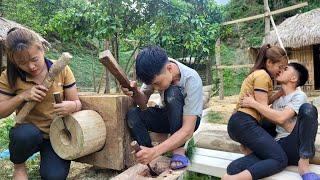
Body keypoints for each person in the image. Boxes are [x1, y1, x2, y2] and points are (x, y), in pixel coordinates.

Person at [0, 28, 82, 180]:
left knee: (54, 176)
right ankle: (19, 166)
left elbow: (77, 102)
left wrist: (72, 106)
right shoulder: (8, 76)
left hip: (56, 135)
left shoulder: (61, 69)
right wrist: (23, 96)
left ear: (42, 49)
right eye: (22, 63)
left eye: (34, 59)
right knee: (24, 135)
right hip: (28, 133)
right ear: (13, 60)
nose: (31, 66)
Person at [122, 46, 202, 169]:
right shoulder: (154, 69)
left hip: (188, 121)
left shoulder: (192, 79)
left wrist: (157, 151)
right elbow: (143, 104)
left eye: (157, 83)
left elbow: (188, 130)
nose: (156, 88)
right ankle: (147, 152)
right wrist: (135, 92)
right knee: (133, 114)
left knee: (172, 93)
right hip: (168, 116)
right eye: (152, 84)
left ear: (169, 68)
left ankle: (178, 151)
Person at [238, 62, 319, 180]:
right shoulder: (277, 101)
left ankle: (304, 165)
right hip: (280, 148)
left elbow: (281, 119)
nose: (281, 70)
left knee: (308, 109)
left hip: (297, 147)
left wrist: (253, 103)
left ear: (294, 78)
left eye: (286, 69)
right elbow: (274, 119)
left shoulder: (299, 95)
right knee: (255, 121)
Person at [223, 44, 288, 180]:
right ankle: (231, 178)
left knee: (266, 153)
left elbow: (262, 101)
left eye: (284, 68)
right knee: (280, 158)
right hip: (244, 122)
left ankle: (234, 169)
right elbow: (263, 109)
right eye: (280, 67)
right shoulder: (262, 75)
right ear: (269, 62)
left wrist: (279, 93)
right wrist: (285, 120)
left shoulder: (260, 75)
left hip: (241, 122)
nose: (281, 71)